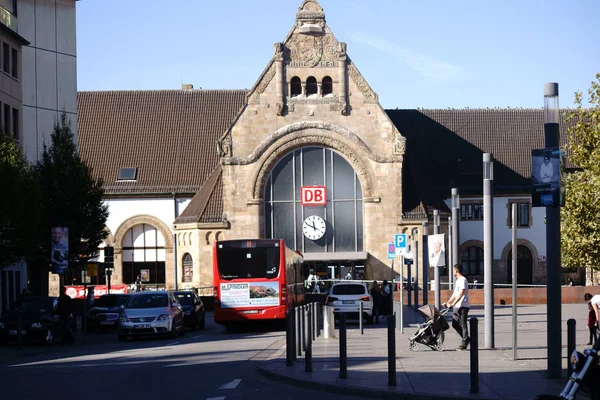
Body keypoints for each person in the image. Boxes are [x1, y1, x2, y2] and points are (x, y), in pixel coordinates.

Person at [443, 264, 470, 350]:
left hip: (463, 306)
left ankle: (464, 343)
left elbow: (461, 293)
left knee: (463, 324)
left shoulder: (463, 280)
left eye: (453, 270)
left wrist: (453, 303)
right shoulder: (458, 280)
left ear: (456, 271)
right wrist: (448, 302)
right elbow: (455, 293)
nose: (453, 272)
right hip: (457, 306)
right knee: (455, 324)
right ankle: (466, 339)